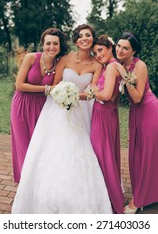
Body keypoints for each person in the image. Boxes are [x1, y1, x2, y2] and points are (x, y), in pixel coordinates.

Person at [11, 24, 113, 214]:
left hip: (81, 112)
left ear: (92, 39)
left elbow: (93, 91)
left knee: (79, 151)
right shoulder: (64, 59)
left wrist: (77, 96)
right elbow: (56, 84)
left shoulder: (97, 65)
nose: (84, 39)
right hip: (57, 109)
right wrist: (63, 95)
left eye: (88, 36)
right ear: (75, 40)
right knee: (50, 148)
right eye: (81, 36)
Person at [10, 27, 68, 183]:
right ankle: (24, 186)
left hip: (42, 108)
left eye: (55, 43)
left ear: (60, 45)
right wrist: (47, 89)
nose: (52, 47)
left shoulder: (60, 64)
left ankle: (36, 184)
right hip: (21, 106)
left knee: (37, 147)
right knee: (23, 146)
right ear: (43, 44)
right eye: (48, 43)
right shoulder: (31, 58)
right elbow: (19, 85)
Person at [114, 31, 158, 214]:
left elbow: (136, 97)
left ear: (133, 51)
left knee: (147, 157)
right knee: (136, 156)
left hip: (149, 112)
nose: (120, 50)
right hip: (136, 115)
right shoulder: (118, 64)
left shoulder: (139, 65)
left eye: (125, 48)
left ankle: (138, 200)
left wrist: (123, 74)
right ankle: (144, 194)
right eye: (118, 46)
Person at [89, 35, 124, 214]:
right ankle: (108, 197)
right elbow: (114, 98)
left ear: (110, 48)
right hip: (106, 114)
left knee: (104, 158)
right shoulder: (112, 66)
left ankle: (114, 201)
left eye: (100, 50)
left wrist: (92, 90)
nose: (98, 55)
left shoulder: (111, 67)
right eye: (95, 53)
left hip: (103, 116)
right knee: (106, 156)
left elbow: (106, 95)